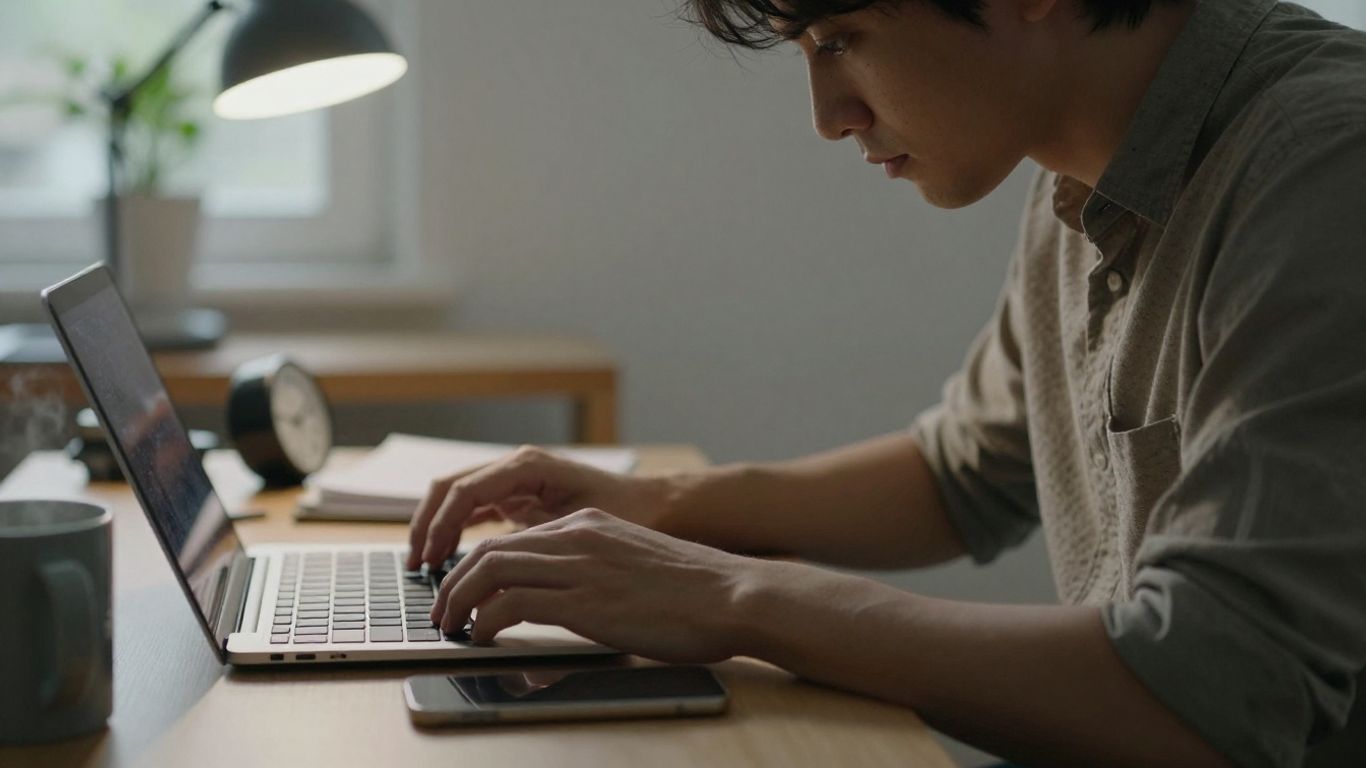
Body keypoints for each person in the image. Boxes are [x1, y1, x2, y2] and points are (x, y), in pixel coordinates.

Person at [406, 0, 1366, 765]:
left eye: (841, 38)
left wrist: (736, 599)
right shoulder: (1076, 174)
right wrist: (667, 506)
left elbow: (1218, 690)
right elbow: (965, 474)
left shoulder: (1326, 165)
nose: (829, 117)